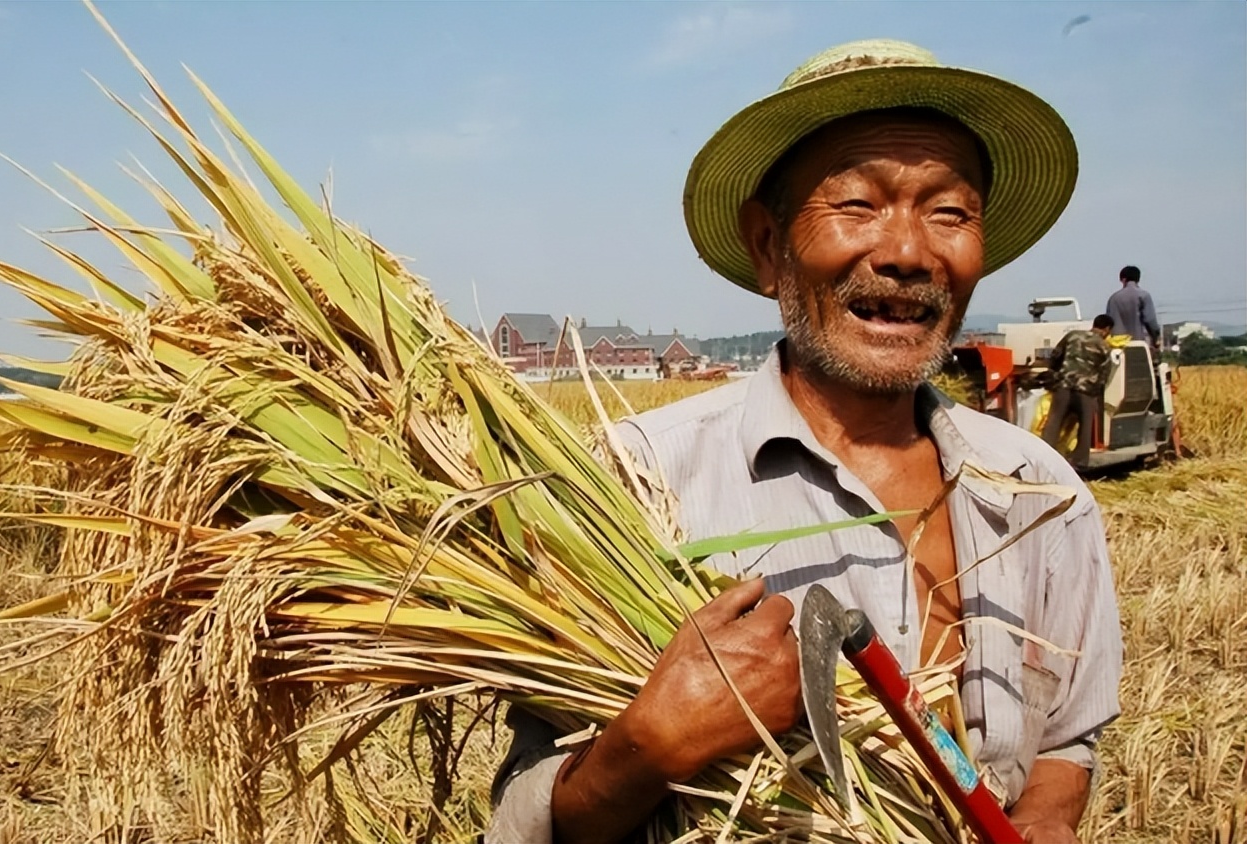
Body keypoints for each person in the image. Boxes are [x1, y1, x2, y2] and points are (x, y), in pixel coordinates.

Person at [488, 39, 1121, 844]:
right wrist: (647, 748)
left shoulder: (1043, 495)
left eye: (950, 212)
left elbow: (1068, 739)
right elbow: (519, 820)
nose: (906, 252)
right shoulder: (634, 486)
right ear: (766, 246)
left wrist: (1044, 817)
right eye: (857, 204)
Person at [1041, 315, 1116, 469]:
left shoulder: (1072, 335)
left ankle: (1044, 457)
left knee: (1054, 422)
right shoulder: (1104, 346)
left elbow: (1055, 355)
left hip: (1064, 386)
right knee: (1085, 426)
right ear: (1107, 329)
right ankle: (1079, 463)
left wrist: (1055, 374)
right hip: (1085, 391)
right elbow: (1104, 374)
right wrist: (1095, 393)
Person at [1106, 265, 1161, 350]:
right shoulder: (1144, 296)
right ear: (1138, 279)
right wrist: (1155, 339)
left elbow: (1108, 324)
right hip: (1139, 344)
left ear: (1122, 279)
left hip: (1117, 346)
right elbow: (1150, 320)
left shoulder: (1113, 298)